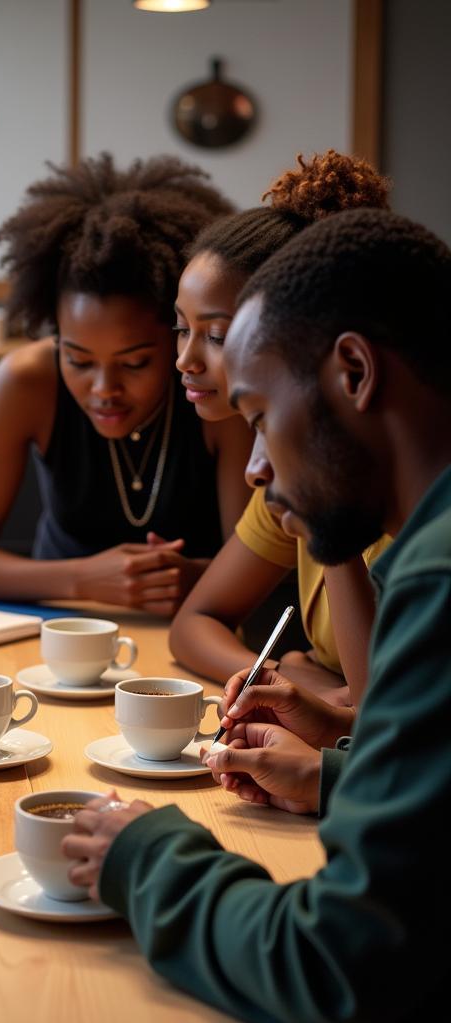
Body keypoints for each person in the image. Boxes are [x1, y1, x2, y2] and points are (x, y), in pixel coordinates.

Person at [64, 208, 451, 1021]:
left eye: (263, 416)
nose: (258, 465)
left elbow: (338, 964)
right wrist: (332, 780)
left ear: (353, 372)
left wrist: (151, 859)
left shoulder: (436, 572)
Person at [0, 155, 250, 616]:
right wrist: (84, 579)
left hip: (188, 623)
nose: (104, 389)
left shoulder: (214, 396)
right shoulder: (27, 381)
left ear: (177, 337)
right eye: (78, 359)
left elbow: (261, 563)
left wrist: (193, 578)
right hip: (55, 623)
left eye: (135, 362)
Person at [169, 151, 392, 705]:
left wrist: (318, 687)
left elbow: (381, 711)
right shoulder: (286, 461)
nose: (185, 359)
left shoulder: (406, 498)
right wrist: (285, 678)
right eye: (180, 328)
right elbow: (194, 621)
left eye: (216, 336)